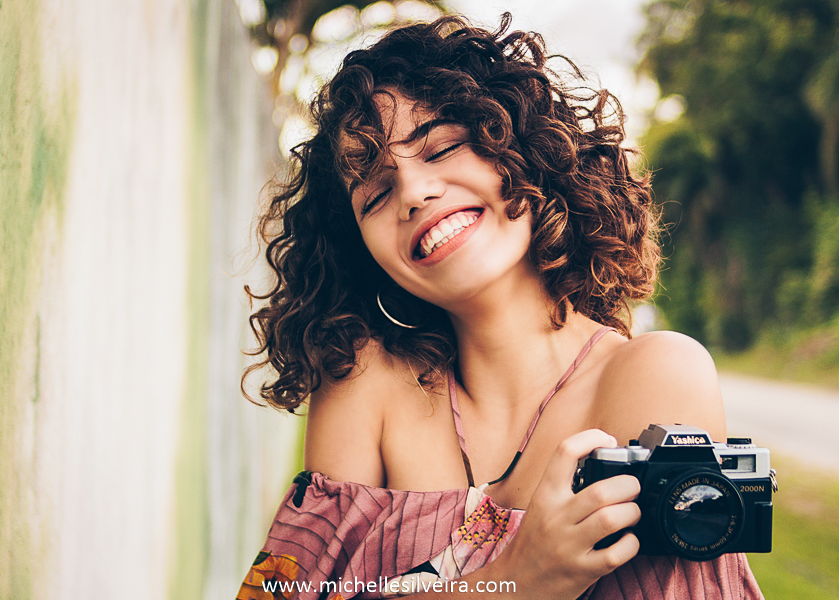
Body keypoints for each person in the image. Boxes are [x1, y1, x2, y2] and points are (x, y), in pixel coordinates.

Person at [237, 13, 764, 600]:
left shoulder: (652, 378)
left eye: (441, 148)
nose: (413, 194)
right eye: (376, 194)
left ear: (521, 148)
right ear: (363, 254)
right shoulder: (364, 385)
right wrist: (519, 580)